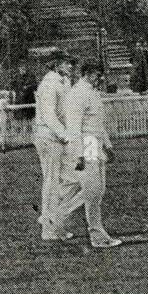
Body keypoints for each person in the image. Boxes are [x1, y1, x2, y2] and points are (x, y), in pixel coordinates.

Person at [52, 60, 121, 247]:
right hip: (86, 145)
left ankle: (56, 219)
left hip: (95, 144)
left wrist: (108, 146)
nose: (101, 78)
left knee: (96, 191)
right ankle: (97, 237)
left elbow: (98, 124)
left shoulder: (92, 92)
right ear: (88, 73)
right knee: (93, 192)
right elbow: (74, 127)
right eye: (98, 74)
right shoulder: (77, 94)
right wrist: (79, 154)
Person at [33, 53, 75, 241]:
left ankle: (54, 223)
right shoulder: (49, 85)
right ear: (56, 65)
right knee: (52, 181)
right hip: (48, 137)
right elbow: (49, 117)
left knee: (63, 181)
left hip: (56, 136)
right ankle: (49, 228)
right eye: (66, 63)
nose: (70, 66)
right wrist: (65, 135)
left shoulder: (63, 82)